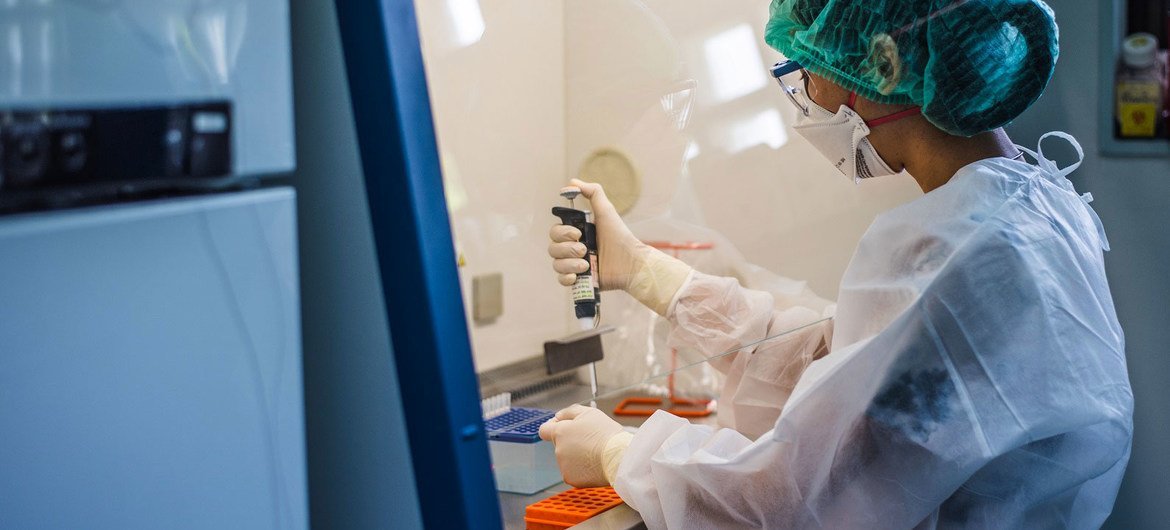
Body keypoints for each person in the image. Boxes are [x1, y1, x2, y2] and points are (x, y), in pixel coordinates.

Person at [538, 0, 1134, 528]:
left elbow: (793, 501)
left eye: (812, 67)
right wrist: (645, 271)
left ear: (882, 64)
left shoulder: (962, 255)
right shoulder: (1024, 206)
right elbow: (849, 371)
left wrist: (620, 455)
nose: (808, 97)